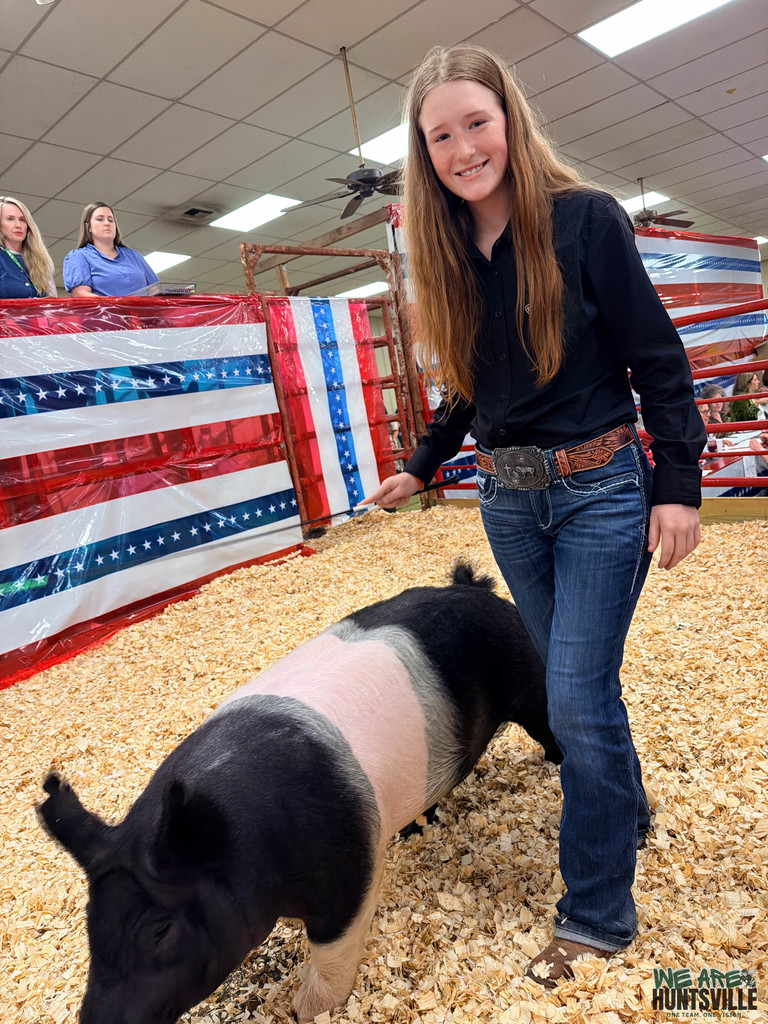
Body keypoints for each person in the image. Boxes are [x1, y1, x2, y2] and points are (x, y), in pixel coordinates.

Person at [361, 45, 705, 986]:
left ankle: (596, 914)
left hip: (602, 493)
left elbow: (660, 362)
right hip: (508, 504)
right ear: (425, 153)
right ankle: (623, 807)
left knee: (577, 697)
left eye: (477, 122)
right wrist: (424, 464)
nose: (463, 146)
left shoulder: (587, 223)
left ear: (510, 119)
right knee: (571, 689)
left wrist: (677, 482)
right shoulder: (445, 253)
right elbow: (472, 389)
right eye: (441, 135)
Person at [62, 202, 158, 297]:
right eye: (100, 219)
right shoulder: (79, 256)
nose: (107, 223)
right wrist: (114, 306)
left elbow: (156, 290)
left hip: (139, 312)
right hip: (105, 312)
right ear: (88, 227)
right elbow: (81, 294)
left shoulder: (134, 256)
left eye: (111, 220)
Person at [0, 196, 57, 298]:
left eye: (22, 220)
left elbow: (53, 303)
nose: (18, 225)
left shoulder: (40, 260)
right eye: (10, 219)